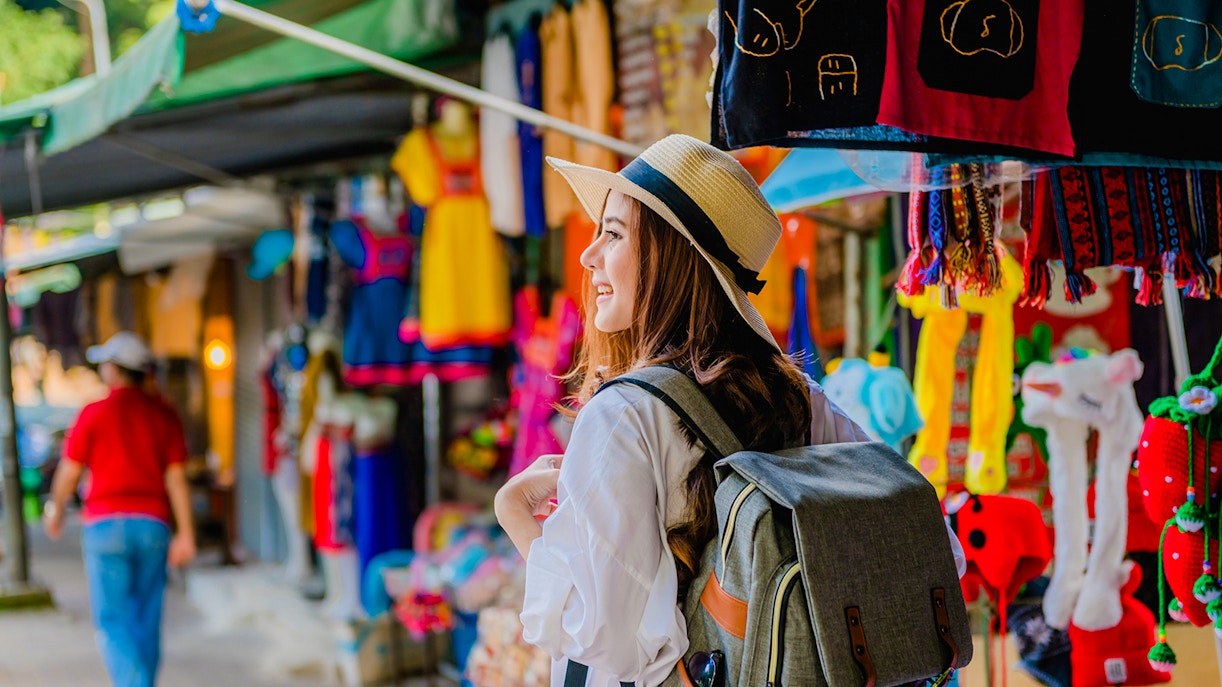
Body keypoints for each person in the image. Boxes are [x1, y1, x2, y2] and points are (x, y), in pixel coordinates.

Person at [494, 135, 877, 687]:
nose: (588, 255)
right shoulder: (803, 399)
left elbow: (606, 641)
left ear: (670, 257)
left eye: (613, 233)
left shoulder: (624, 415)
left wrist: (515, 515)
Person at [44, 331, 196, 687]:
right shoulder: (163, 414)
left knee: (113, 620)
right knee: (147, 618)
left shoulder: (93, 413)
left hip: (105, 528)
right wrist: (186, 534)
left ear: (114, 370)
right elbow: (176, 479)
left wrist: (56, 511)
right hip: (153, 527)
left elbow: (69, 473)